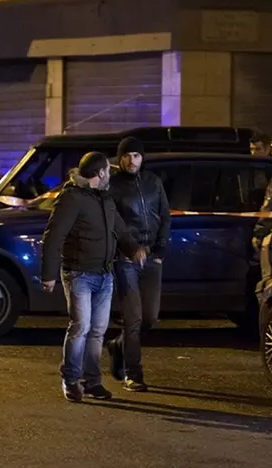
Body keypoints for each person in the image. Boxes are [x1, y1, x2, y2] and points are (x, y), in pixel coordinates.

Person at [41, 151, 146, 403]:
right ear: (99, 174)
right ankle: (71, 380)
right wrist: (48, 275)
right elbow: (53, 237)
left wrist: (134, 249)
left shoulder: (104, 198)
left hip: (104, 274)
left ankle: (92, 382)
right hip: (79, 274)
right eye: (108, 171)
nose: (110, 174)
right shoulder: (71, 199)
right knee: (80, 327)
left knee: (98, 330)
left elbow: (120, 229)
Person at [105, 137, 171, 392]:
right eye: (127, 156)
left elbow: (164, 216)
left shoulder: (153, 182)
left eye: (136, 155)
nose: (132, 160)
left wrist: (160, 249)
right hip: (126, 260)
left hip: (152, 258)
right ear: (119, 158)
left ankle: (117, 345)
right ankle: (133, 374)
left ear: (142, 158)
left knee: (149, 318)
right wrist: (130, 249)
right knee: (132, 319)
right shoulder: (114, 186)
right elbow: (114, 224)